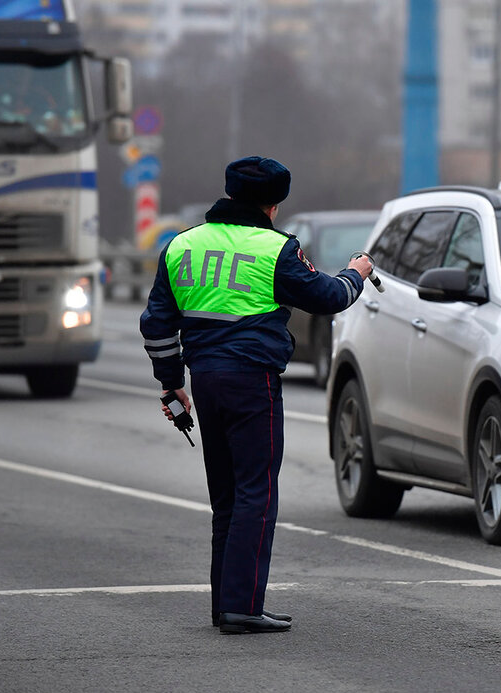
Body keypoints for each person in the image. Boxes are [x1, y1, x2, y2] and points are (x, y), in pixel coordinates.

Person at [140, 156, 373, 634]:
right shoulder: (276, 249)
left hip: (204, 379)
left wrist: (170, 383)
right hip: (253, 380)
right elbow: (327, 298)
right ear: (274, 204)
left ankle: (225, 605)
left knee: (226, 499)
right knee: (257, 494)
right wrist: (357, 273)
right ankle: (243, 606)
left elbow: (157, 324)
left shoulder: (181, 246)